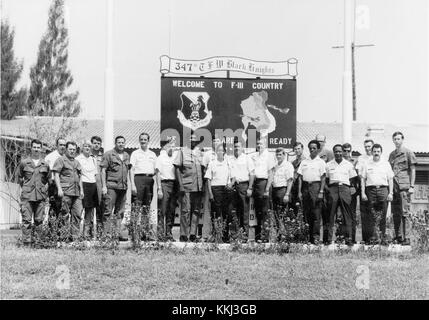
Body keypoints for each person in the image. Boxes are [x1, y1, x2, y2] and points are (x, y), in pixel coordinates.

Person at [17, 139, 50, 247]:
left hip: (40, 196)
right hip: (27, 196)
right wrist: (26, 188)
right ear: (31, 148)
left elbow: (48, 180)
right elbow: (20, 178)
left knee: (39, 221)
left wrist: (44, 190)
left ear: (41, 149)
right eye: (34, 147)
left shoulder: (45, 164)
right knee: (26, 220)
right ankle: (26, 243)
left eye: (38, 147)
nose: (36, 149)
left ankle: (38, 243)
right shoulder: (24, 162)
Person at [360, 144, 394, 244]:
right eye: (374, 151)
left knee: (383, 215)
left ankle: (382, 238)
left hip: (383, 190)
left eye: (378, 151)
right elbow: (363, 179)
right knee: (371, 215)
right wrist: (363, 193)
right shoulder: (367, 163)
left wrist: (391, 193)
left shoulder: (385, 164)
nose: (376, 153)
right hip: (370, 190)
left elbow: (390, 179)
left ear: (381, 152)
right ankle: (372, 238)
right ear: (372, 152)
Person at [174, 134, 204, 242]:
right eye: (191, 139)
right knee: (185, 210)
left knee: (196, 211)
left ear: (197, 142)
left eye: (195, 140)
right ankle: (183, 234)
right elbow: (177, 168)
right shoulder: (182, 151)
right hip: (186, 186)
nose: (193, 141)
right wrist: (180, 185)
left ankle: (192, 234)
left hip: (198, 187)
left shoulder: (200, 153)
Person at [388, 132, 417, 245]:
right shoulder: (391, 155)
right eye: (395, 139)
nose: (396, 141)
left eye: (398, 139)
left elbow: (413, 170)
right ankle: (398, 236)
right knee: (396, 213)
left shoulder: (408, 153)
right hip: (394, 188)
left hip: (404, 187)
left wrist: (412, 186)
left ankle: (407, 238)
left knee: (405, 213)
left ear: (402, 139)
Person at [325, 144, 357, 245]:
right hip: (333, 188)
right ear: (333, 152)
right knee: (330, 215)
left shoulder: (348, 165)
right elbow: (326, 179)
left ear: (343, 152)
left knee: (347, 215)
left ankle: (348, 239)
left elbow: (353, 179)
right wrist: (329, 190)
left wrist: (350, 189)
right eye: (336, 151)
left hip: (344, 188)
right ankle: (328, 239)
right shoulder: (328, 165)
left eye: (340, 151)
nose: (338, 153)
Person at [101, 136, 131, 239]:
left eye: (123, 142)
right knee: (108, 211)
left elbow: (128, 171)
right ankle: (106, 235)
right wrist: (104, 186)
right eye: (119, 142)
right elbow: (103, 171)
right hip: (111, 187)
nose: (121, 144)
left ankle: (116, 233)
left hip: (123, 187)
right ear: (115, 143)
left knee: (120, 212)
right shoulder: (109, 154)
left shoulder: (127, 155)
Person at [52, 141, 84, 241]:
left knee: (77, 214)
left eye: (74, 150)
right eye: (70, 149)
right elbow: (56, 175)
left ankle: (75, 238)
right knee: (64, 214)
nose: (72, 151)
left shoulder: (77, 162)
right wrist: (59, 189)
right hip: (65, 192)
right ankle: (63, 237)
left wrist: (82, 190)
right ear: (66, 149)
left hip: (76, 192)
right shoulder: (60, 160)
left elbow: (80, 177)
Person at [297, 140, 326, 244]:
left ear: (318, 149)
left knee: (316, 214)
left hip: (316, 187)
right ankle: (307, 238)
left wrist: (321, 191)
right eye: (310, 148)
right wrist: (300, 192)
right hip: (305, 187)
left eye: (314, 148)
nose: (312, 150)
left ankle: (316, 237)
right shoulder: (304, 162)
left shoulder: (321, 162)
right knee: (306, 213)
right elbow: (300, 177)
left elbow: (323, 178)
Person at [205, 144, 234, 243]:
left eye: (222, 151)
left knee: (226, 214)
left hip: (225, 189)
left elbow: (233, 177)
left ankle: (225, 236)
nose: (220, 152)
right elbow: (208, 179)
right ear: (216, 152)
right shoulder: (212, 163)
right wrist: (210, 193)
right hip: (215, 189)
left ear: (224, 152)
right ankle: (216, 236)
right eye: (218, 151)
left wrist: (231, 184)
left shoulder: (228, 163)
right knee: (216, 214)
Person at [250, 137, 276, 242]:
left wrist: (267, 189)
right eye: (257, 144)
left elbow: (271, 173)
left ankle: (265, 236)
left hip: (264, 183)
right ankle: (258, 236)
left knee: (265, 211)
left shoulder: (269, 156)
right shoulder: (255, 156)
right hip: (256, 184)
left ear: (265, 145)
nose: (259, 145)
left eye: (261, 144)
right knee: (258, 211)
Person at [230, 140, 255, 241]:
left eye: (238, 146)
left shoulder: (247, 158)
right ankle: (236, 235)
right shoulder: (231, 159)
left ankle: (244, 236)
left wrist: (250, 188)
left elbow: (252, 174)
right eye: (235, 146)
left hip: (244, 185)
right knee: (234, 211)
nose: (236, 148)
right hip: (233, 187)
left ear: (242, 147)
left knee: (245, 211)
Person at [155, 137, 178, 241]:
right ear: (165, 146)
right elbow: (158, 173)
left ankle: (169, 233)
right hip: (164, 184)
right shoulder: (160, 157)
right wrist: (159, 188)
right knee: (162, 210)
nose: (171, 147)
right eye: (169, 145)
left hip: (174, 184)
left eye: (173, 145)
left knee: (171, 210)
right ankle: (160, 234)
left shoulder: (175, 157)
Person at [269, 147, 294, 241]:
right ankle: (279, 236)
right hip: (275, 191)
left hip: (283, 190)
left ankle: (286, 236)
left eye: (280, 154)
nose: (278, 156)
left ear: (284, 155)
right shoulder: (276, 166)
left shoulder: (288, 165)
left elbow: (290, 181)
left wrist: (287, 194)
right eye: (277, 154)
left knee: (284, 214)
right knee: (276, 214)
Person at [201, 135, 223, 241]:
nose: (216, 142)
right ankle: (206, 235)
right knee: (207, 209)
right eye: (214, 141)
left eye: (218, 141)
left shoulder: (224, 154)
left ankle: (218, 234)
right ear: (211, 142)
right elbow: (204, 169)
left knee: (219, 210)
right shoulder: (207, 154)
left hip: (220, 186)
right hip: (209, 184)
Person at [76, 140, 99, 239]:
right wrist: (81, 189)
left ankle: (87, 234)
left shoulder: (93, 159)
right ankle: (76, 235)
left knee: (89, 212)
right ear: (82, 147)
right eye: (85, 146)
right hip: (83, 184)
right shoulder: (78, 159)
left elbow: (95, 174)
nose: (87, 148)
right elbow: (78, 175)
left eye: (89, 146)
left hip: (92, 185)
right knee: (79, 210)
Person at [355, 139, 374, 243]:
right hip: (364, 186)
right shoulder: (361, 158)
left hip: (373, 187)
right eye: (366, 146)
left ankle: (374, 237)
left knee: (373, 212)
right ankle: (365, 238)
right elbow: (358, 172)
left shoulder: (376, 157)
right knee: (364, 213)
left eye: (369, 146)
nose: (367, 148)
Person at [130, 133, 157, 207]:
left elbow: (156, 170)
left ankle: (145, 219)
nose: (143, 141)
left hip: (149, 180)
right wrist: (132, 185)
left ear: (148, 141)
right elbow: (131, 169)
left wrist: (149, 174)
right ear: (139, 141)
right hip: (138, 179)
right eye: (141, 139)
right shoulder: (135, 153)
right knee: (136, 204)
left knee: (147, 204)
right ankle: (134, 219)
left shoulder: (153, 154)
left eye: (145, 139)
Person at [45, 137, 67, 219]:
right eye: (60, 145)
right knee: (53, 208)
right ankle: (52, 230)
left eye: (64, 145)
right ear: (56, 145)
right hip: (53, 185)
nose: (63, 147)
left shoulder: (66, 157)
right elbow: (46, 173)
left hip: (64, 185)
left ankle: (61, 230)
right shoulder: (50, 157)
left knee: (63, 209)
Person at [342, 142, 359, 243]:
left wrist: (355, 189)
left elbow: (357, 177)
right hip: (341, 190)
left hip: (352, 190)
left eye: (349, 151)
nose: (346, 153)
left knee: (352, 214)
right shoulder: (338, 161)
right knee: (342, 215)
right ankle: (342, 237)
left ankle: (352, 238)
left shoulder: (355, 162)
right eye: (344, 151)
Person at [91, 136, 104, 234]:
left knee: (100, 207)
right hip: (89, 182)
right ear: (92, 143)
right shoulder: (87, 155)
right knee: (90, 207)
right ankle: (89, 233)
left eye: (98, 143)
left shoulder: (103, 156)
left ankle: (100, 232)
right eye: (95, 143)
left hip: (100, 183)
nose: (96, 145)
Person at [291, 142, 305, 216]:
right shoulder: (293, 162)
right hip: (294, 187)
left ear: (302, 149)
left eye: (299, 148)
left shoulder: (306, 161)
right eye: (295, 149)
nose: (297, 150)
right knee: (294, 208)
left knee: (303, 208)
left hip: (303, 186)